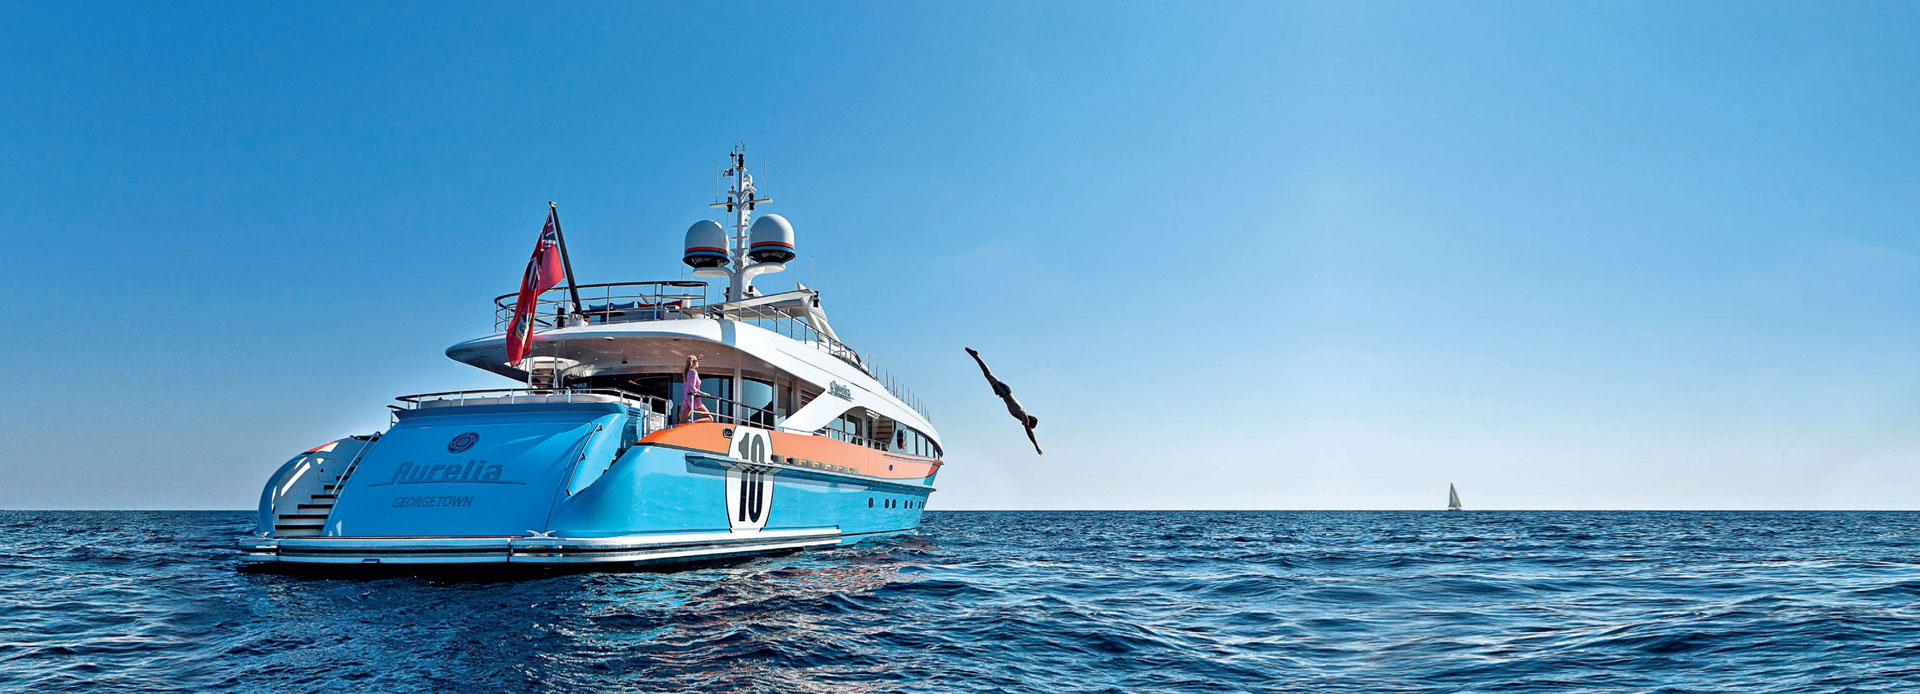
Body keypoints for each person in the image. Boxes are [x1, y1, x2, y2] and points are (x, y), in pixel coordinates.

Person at [965, 347, 1041, 455]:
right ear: (1029, 422)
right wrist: (1036, 446)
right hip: (1004, 392)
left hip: (1003, 393)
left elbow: (1029, 430)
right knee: (988, 374)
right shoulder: (1023, 415)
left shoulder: (1022, 415)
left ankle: (976, 356)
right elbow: (1029, 432)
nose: (1024, 425)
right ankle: (976, 356)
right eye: (1027, 425)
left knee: (987, 374)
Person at [682, 355, 715, 423]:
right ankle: (692, 422)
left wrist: (696, 358)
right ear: (693, 363)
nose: (698, 362)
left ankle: (688, 424)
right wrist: (703, 393)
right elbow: (692, 387)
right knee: (710, 418)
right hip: (694, 400)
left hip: (686, 400)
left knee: (682, 422)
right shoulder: (693, 372)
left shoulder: (686, 373)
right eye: (697, 361)